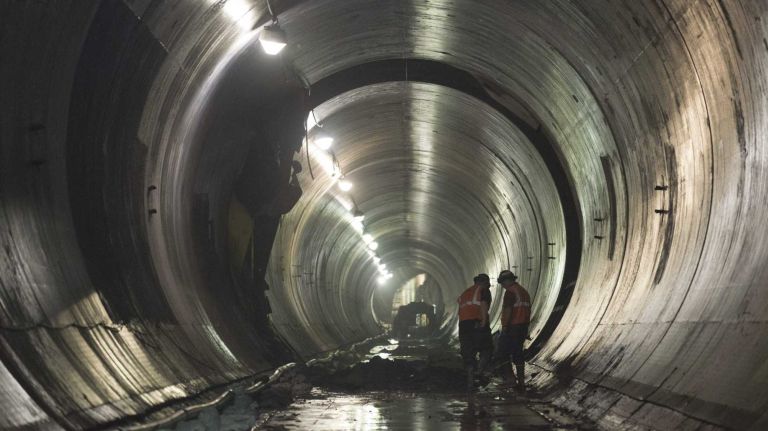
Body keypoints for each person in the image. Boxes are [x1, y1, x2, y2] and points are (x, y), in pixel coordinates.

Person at [496, 270, 532, 390]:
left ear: (508, 280)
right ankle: (521, 381)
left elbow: (507, 310)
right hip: (523, 326)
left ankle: (510, 380)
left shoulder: (510, 292)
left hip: (512, 326)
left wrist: (505, 326)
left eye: (502, 282)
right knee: (518, 352)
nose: (502, 285)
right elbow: (528, 310)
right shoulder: (523, 291)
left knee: (502, 352)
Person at [457, 273, 493, 389]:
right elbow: (483, 304)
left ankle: (470, 382)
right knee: (487, 348)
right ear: (484, 282)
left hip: (463, 325)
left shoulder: (466, 293)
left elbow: (461, 310)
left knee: (468, 353)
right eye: (488, 283)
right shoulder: (483, 290)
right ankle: (479, 371)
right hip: (477, 322)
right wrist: (483, 321)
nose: (489, 285)